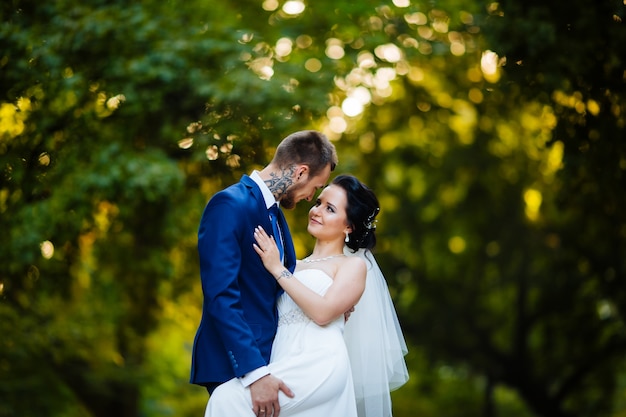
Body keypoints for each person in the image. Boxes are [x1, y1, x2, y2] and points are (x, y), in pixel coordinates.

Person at [205, 174, 409, 417]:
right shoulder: (293, 265)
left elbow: (323, 312)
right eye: (318, 203)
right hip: (281, 358)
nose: (317, 211)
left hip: (318, 363)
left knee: (226, 399)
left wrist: (276, 269)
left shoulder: (352, 266)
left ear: (348, 226)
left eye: (330, 209)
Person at [190, 130, 338, 417]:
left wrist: (329, 296)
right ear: (300, 172)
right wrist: (254, 373)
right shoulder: (230, 204)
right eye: (315, 188)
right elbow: (220, 295)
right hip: (238, 365)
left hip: (274, 360)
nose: (311, 198)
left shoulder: (276, 215)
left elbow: (273, 288)